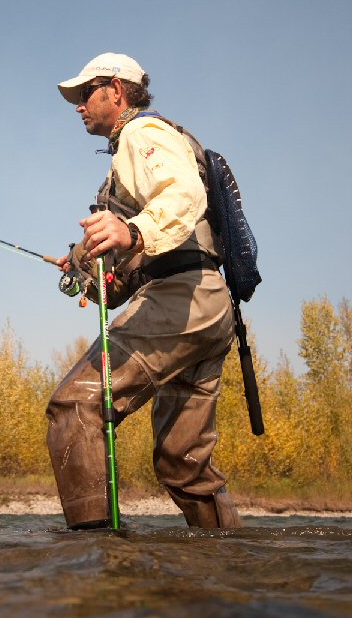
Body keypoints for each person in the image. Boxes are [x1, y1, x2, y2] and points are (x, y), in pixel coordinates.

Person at [46, 52, 241, 530]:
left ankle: (96, 560)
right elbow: (135, 260)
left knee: (76, 404)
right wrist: (84, 266)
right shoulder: (132, 147)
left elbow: (183, 195)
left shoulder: (143, 133)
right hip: (210, 308)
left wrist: (131, 234)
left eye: (85, 93)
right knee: (182, 464)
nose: (78, 106)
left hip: (181, 297)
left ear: (116, 89)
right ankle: (230, 564)